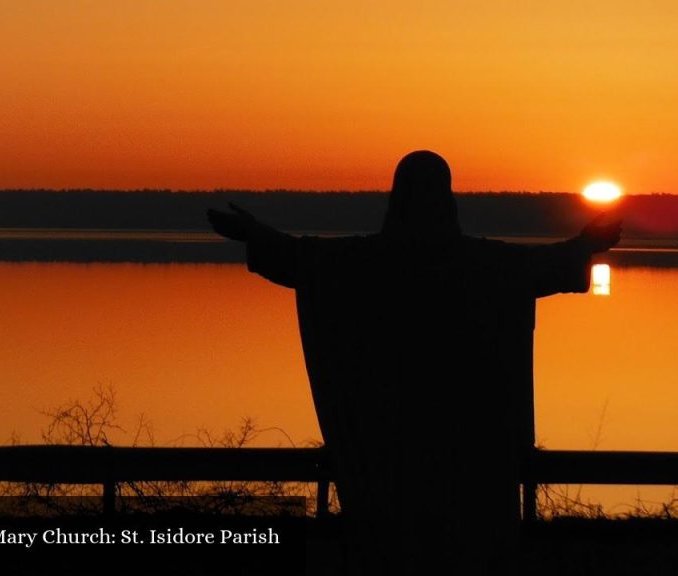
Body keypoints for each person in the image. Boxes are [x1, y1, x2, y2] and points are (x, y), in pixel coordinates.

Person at [207, 150, 620, 575]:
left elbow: (305, 261)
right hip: (461, 446)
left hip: (393, 442)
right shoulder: (480, 266)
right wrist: (584, 244)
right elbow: (534, 266)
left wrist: (254, 233)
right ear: (448, 200)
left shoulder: (370, 264)